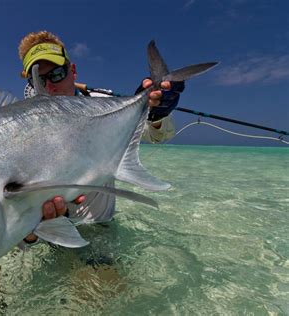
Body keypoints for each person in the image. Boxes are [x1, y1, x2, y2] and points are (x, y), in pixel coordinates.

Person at [17, 31, 185, 245]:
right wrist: (29, 234)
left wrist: (156, 114)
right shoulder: (19, 128)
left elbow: (157, 136)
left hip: (98, 229)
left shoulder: (102, 103)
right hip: (43, 235)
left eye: (57, 74)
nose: (50, 86)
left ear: (73, 71)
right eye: (39, 80)